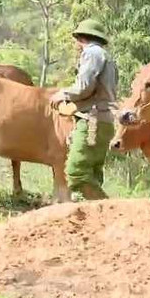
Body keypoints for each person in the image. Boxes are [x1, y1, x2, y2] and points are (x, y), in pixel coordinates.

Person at [50, 18, 118, 200]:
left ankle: (109, 211)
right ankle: (100, 219)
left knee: (76, 171)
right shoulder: (106, 56)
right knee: (93, 173)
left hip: (92, 120)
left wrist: (63, 94)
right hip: (104, 121)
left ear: (81, 38)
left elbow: (83, 87)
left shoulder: (92, 53)